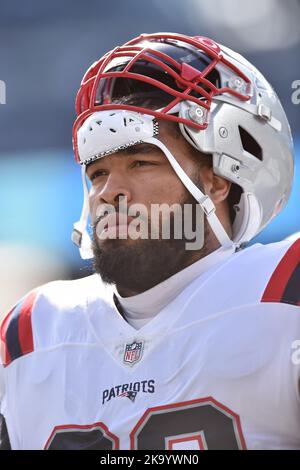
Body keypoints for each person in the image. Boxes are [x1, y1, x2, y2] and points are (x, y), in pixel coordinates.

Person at [0, 32, 299, 450]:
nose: (108, 192)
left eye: (140, 162)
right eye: (98, 173)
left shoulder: (286, 289)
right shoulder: (34, 331)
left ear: (217, 182)